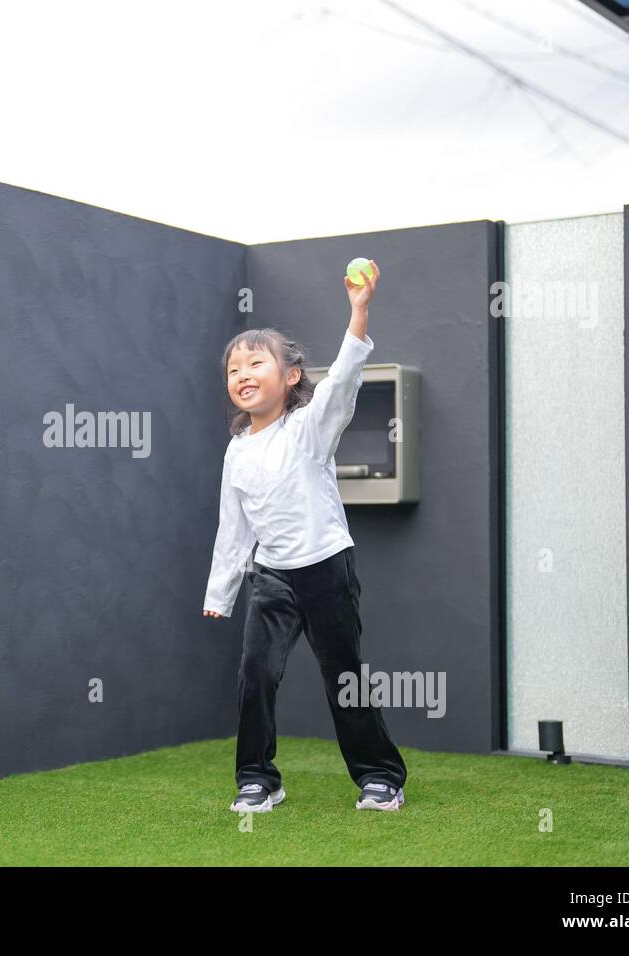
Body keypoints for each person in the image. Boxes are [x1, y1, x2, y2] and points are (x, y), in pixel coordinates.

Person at [203, 259, 407, 813]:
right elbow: (233, 526)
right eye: (233, 369)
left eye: (255, 363)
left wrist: (359, 311)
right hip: (271, 578)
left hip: (326, 568)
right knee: (256, 675)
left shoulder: (310, 429)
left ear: (290, 376)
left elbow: (342, 379)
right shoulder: (237, 450)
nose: (242, 374)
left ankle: (380, 776)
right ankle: (257, 778)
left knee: (344, 675)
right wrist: (221, 592)